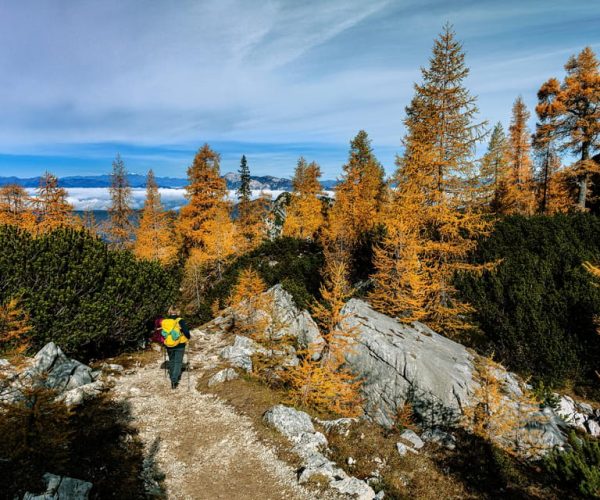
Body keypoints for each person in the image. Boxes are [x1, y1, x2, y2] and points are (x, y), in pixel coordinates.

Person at [161, 306, 191, 389]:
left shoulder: (165, 321)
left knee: (172, 361)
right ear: (178, 312)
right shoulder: (180, 320)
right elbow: (186, 332)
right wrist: (188, 337)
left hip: (169, 344)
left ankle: (172, 378)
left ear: (170, 312)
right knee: (178, 362)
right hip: (180, 344)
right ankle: (174, 381)